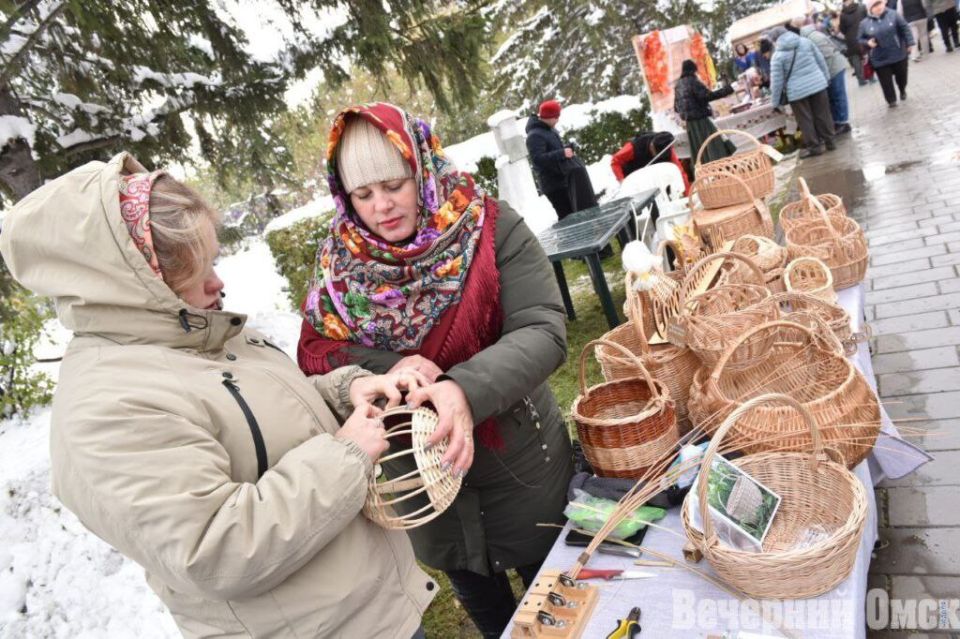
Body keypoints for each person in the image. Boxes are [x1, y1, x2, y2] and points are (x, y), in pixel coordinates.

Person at [0, 152, 437, 638]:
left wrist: (344, 390)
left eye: (212, 259)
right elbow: (219, 549)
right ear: (134, 284)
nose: (217, 282)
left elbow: (252, 422)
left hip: (367, 612)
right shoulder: (106, 407)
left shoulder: (189, 329)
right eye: (196, 269)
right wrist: (348, 454)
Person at [297, 103, 574, 638]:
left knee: (557, 606)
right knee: (489, 610)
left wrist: (462, 389)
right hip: (424, 483)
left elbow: (542, 329)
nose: (381, 207)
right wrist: (392, 367)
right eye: (362, 195)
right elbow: (318, 351)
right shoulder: (338, 264)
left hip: (518, 465)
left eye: (394, 184)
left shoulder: (487, 227)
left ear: (420, 167)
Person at [770, 20, 836, 157]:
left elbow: (777, 82)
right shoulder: (805, 42)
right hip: (818, 84)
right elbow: (820, 60)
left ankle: (815, 147)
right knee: (823, 114)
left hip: (797, 93)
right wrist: (826, 78)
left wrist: (775, 102)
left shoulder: (777, 56)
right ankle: (830, 141)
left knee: (805, 120)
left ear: (775, 40)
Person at [525, 99, 598, 220]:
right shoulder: (534, 136)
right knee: (568, 218)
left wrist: (565, 150)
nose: (558, 120)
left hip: (564, 179)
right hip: (553, 185)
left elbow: (551, 151)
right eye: (556, 117)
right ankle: (572, 239)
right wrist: (562, 153)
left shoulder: (549, 129)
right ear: (548, 117)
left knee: (576, 214)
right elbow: (537, 159)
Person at [673, 59, 736, 167]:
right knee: (714, 145)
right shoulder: (693, 81)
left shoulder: (678, 85)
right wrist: (727, 90)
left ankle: (707, 173)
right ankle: (721, 168)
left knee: (701, 151)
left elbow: (676, 108)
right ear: (693, 70)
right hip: (701, 120)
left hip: (690, 124)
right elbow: (707, 96)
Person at [798, 18, 854, 134]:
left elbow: (825, 56)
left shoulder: (810, 38)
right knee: (836, 97)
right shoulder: (813, 35)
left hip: (833, 68)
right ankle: (839, 122)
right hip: (834, 67)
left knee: (838, 96)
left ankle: (842, 122)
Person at [859, 0, 915, 107]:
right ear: (870, 9)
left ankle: (902, 89)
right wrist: (867, 42)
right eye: (874, 6)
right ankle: (891, 100)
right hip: (879, 58)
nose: (878, 7)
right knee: (886, 82)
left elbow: (905, 28)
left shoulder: (893, 14)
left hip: (898, 53)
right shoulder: (864, 23)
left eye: (879, 4)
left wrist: (909, 43)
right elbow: (860, 39)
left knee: (902, 76)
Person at [610, 131, 690, 191]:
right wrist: (622, 181)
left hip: (653, 181)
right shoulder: (635, 146)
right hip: (631, 177)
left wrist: (688, 194)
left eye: (654, 151)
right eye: (652, 147)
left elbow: (680, 173)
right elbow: (615, 161)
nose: (651, 150)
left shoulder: (667, 150)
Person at [841, 0, 870, 85]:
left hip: (851, 39)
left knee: (856, 59)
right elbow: (867, 19)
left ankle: (861, 80)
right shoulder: (861, 8)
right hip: (863, 35)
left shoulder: (843, 15)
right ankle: (871, 76)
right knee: (867, 55)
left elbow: (842, 29)